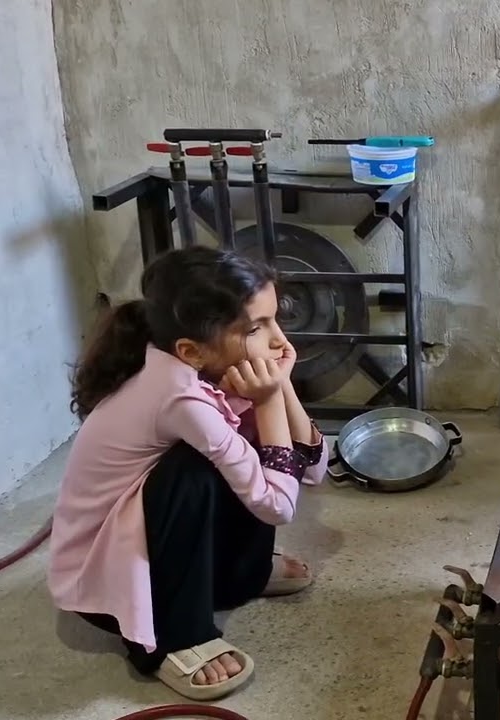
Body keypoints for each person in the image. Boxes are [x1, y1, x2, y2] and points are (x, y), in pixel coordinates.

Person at [47, 246, 328, 700]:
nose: (280, 340)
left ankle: (241, 575)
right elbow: (278, 506)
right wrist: (269, 399)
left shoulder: (213, 371)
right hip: (110, 578)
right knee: (194, 469)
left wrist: (281, 386)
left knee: (251, 450)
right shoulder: (179, 396)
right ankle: (173, 637)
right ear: (191, 351)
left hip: (153, 539)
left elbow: (313, 469)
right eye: (257, 328)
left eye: (276, 318)